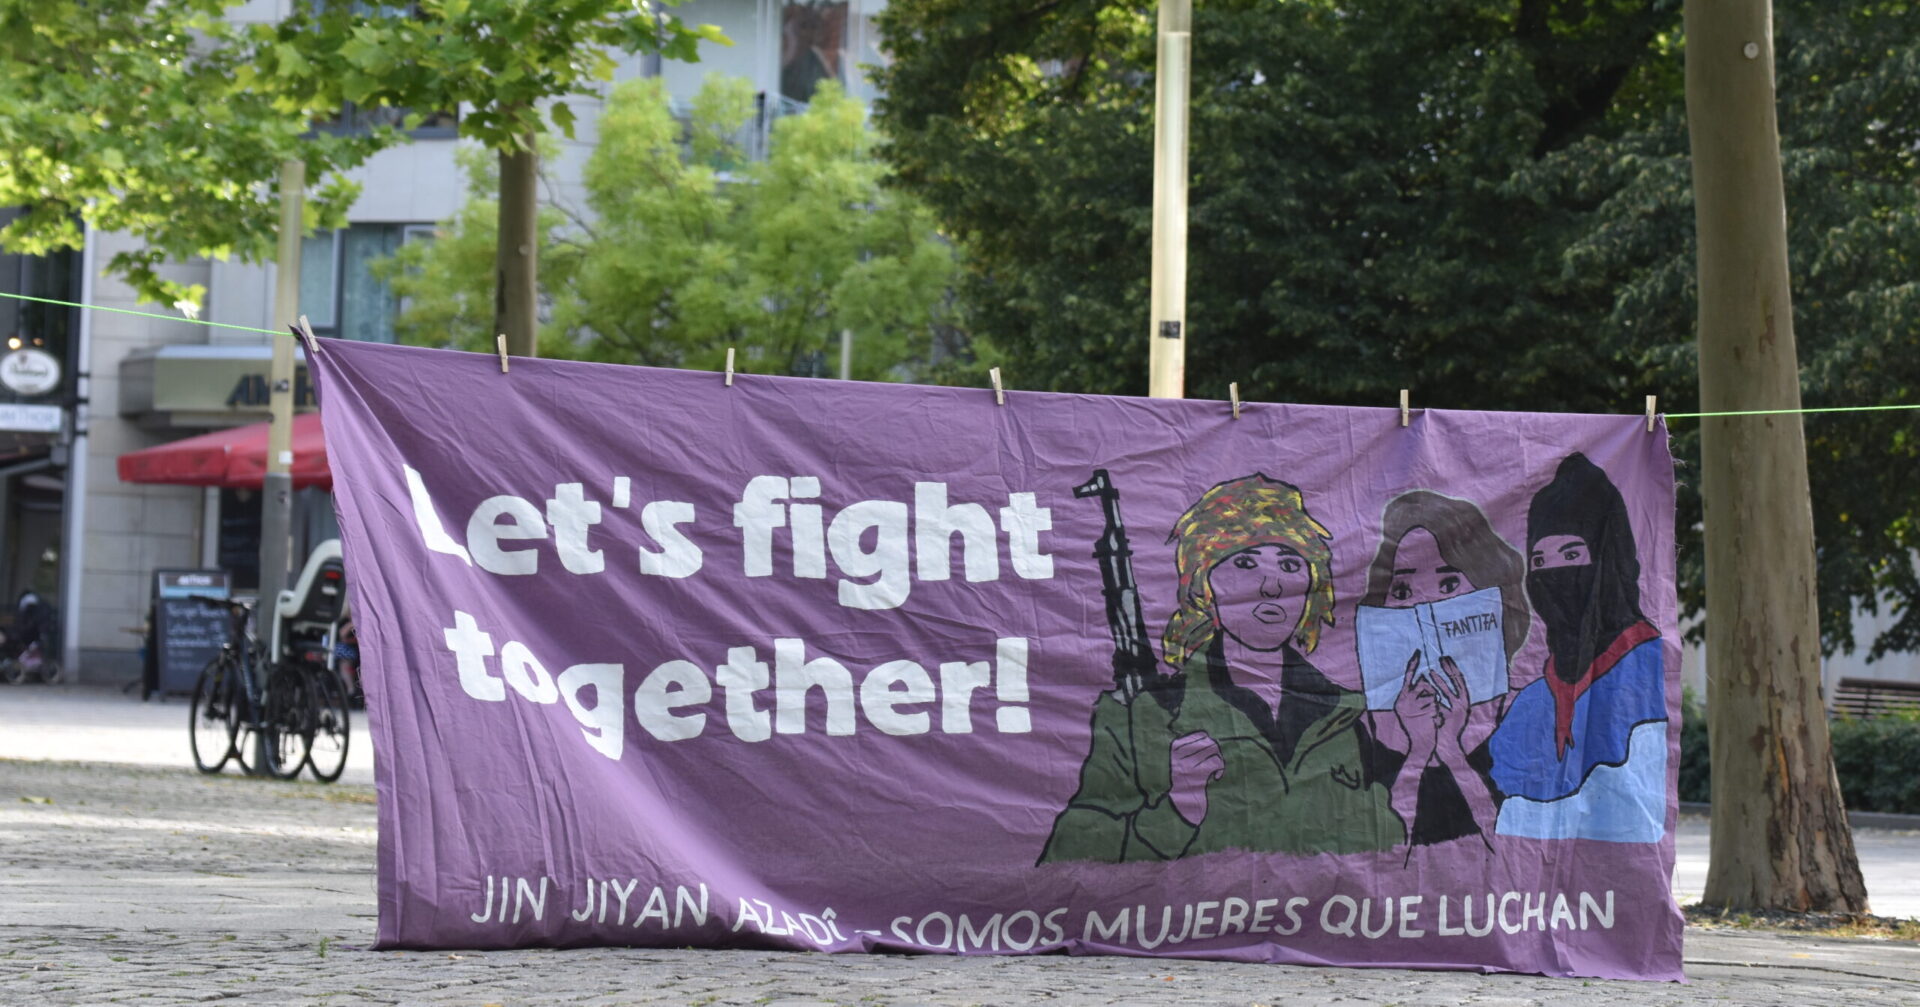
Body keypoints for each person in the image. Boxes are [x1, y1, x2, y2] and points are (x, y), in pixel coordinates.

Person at [1038, 474, 1406, 863]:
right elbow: (1067, 862)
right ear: (1203, 587)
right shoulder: (1140, 714)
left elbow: (1391, 853)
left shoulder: (1345, 715)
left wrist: (1411, 752)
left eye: (1289, 564)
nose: (1272, 586)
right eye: (1245, 563)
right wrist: (1176, 810)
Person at [1488, 453, 1667, 843]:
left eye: (1571, 555)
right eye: (1539, 560)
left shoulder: (1649, 668)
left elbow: (1635, 807)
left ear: (1608, 560)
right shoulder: (1532, 700)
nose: (1554, 575)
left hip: (1611, 870)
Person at [1357, 491, 1529, 850]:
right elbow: (1380, 849)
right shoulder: (1358, 730)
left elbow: (1512, 848)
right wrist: (1419, 752)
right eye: (1401, 591)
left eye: (1449, 585)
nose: (1425, 604)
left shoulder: (1525, 713)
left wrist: (1450, 750)